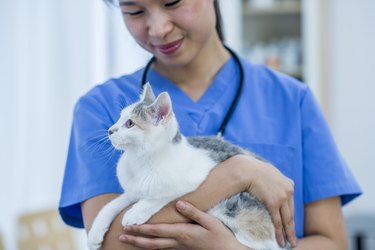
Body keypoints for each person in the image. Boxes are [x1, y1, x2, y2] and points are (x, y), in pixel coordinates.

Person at [59, 0, 362, 249]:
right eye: (135, 11)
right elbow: (113, 244)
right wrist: (235, 174)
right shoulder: (100, 108)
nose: (159, 29)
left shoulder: (292, 100)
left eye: (172, 2)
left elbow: (331, 242)